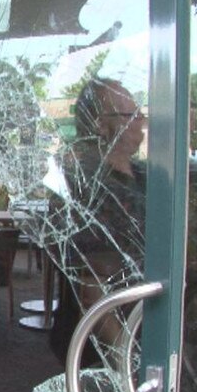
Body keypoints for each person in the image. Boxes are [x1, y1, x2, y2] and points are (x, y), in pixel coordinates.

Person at [49, 78, 145, 366]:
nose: (141, 121)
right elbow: (93, 286)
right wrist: (124, 363)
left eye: (139, 112)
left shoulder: (146, 178)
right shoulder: (85, 182)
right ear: (101, 125)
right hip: (101, 344)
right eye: (131, 115)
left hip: (146, 326)